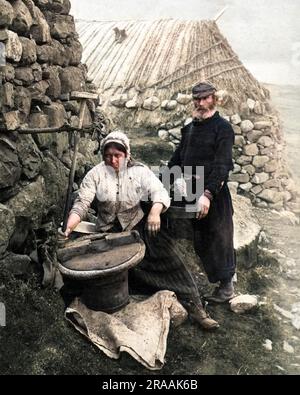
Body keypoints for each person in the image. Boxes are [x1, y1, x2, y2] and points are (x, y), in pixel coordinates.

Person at [64, 130, 219, 330]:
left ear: (127, 155)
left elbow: (159, 192)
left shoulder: (139, 171)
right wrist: (70, 226)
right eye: (108, 155)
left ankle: (196, 307)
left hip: (137, 228)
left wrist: (155, 213)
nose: (113, 160)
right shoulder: (96, 174)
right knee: (109, 269)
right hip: (108, 233)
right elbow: (82, 203)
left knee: (170, 259)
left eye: (117, 155)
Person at [167, 82, 236, 303]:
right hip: (189, 188)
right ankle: (183, 279)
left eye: (205, 98)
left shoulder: (222, 128)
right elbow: (176, 161)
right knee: (199, 239)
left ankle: (226, 287)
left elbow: (222, 165)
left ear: (213, 99)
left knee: (220, 237)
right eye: (196, 99)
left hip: (213, 192)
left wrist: (207, 194)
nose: (200, 102)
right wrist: (160, 182)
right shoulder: (189, 129)